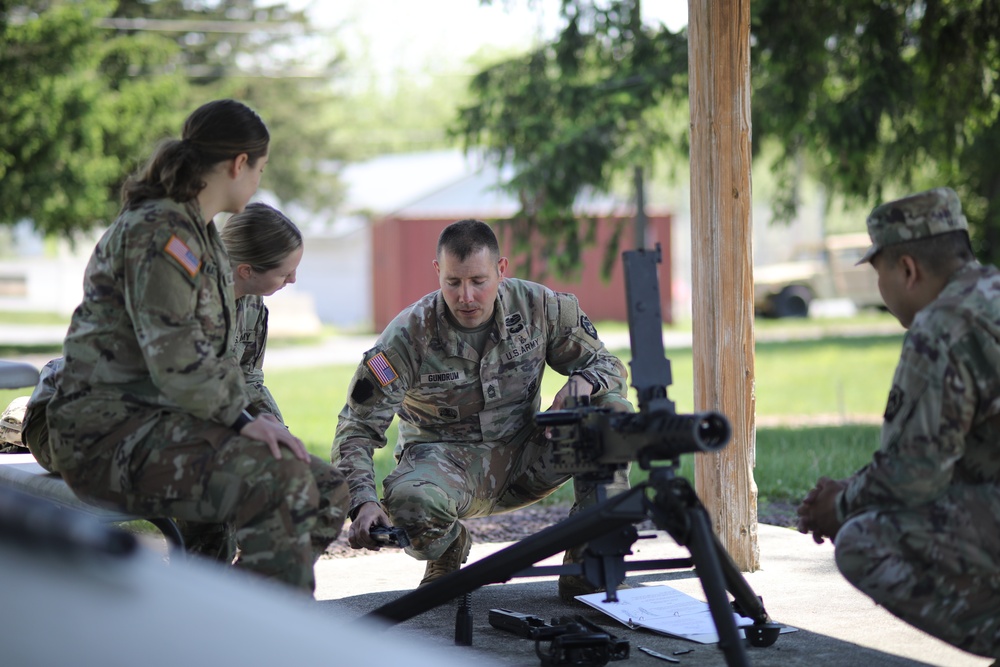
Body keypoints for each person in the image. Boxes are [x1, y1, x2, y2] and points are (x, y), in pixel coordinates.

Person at [36, 99, 347, 594]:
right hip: (106, 436)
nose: (259, 181)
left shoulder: (194, 233)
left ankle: (219, 618)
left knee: (328, 490)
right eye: (260, 169)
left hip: (160, 423)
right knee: (281, 482)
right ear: (238, 163)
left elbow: (215, 363)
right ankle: (255, 640)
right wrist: (244, 421)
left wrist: (254, 417)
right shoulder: (160, 232)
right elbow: (179, 360)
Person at [333, 218, 633, 600]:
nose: (467, 297)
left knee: (609, 417)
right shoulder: (408, 336)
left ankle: (591, 565)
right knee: (409, 505)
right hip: (445, 468)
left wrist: (582, 382)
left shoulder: (539, 307)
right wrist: (362, 502)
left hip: (529, 453)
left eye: (479, 281)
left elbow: (607, 365)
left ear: (501, 269)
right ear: (437, 272)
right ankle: (448, 546)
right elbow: (356, 427)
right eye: (454, 283)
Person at [796, 187, 1000, 661]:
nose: (879, 290)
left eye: (878, 272)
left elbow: (911, 477)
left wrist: (838, 503)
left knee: (864, 539)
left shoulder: (944, 326)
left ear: (907, 269)